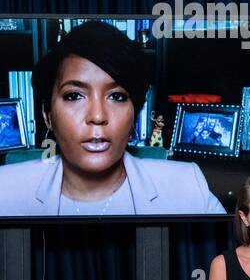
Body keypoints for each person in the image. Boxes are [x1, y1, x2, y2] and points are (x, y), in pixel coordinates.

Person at [0, 20, 224, 216]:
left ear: (135, 114)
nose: (97, 116)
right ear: (47, 115)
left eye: (116, 96)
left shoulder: (187, 187)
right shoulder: (6, 191)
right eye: (74, 96)